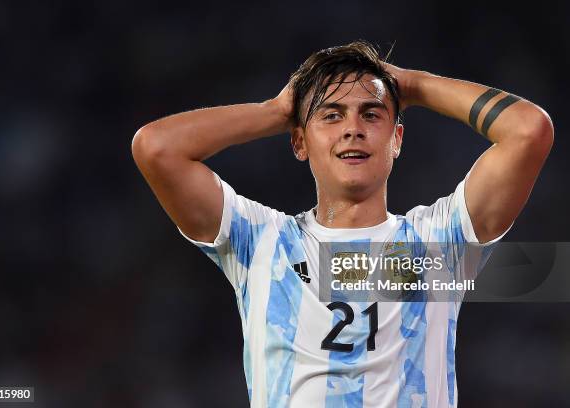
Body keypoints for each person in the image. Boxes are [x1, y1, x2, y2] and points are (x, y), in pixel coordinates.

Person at [131, 40, 553, 407]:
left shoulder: (439, 243)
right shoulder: (259, 241)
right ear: (299, 141)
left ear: (397, 139)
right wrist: (276, 110)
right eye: (331, 116)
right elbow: (156, 148)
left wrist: (415, 85)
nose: (353, 129)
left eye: (371, 115)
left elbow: (528, 130)